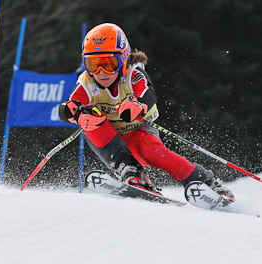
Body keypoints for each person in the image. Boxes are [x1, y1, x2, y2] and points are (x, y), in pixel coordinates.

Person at [59, 23, 233, 200]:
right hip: (108, 139)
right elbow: (68, 106)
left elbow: (148, 93)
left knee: (152, 152)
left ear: (123, 59)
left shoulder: (133, 74)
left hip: (138, 131)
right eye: (93, 64)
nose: (101, 72)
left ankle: (205, 181)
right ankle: (130, 170)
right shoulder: (87, 82)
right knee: (90, 119)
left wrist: (139, 106)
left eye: (109, 64)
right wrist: (76, 114)